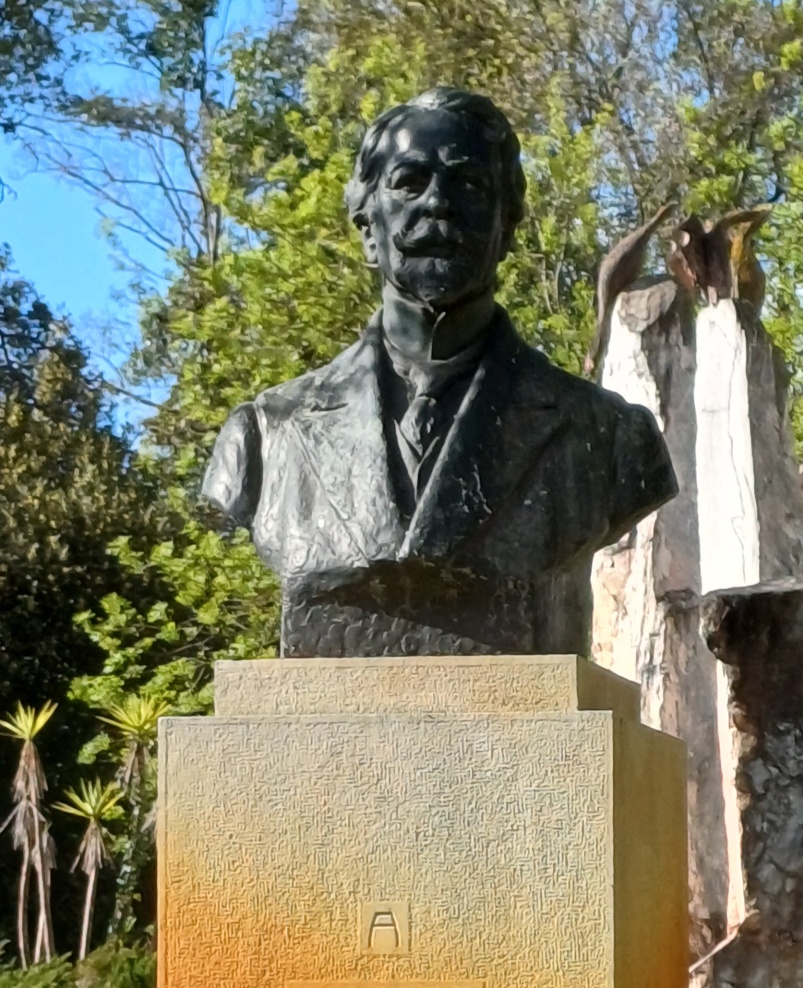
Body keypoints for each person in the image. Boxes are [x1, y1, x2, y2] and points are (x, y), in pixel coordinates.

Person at [202, 86, 678, 657]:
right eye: (409, 182)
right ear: (366, 222)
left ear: (506, 226)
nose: (438, 203)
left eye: (469, 184)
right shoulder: (265, 434)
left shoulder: (609, 438)